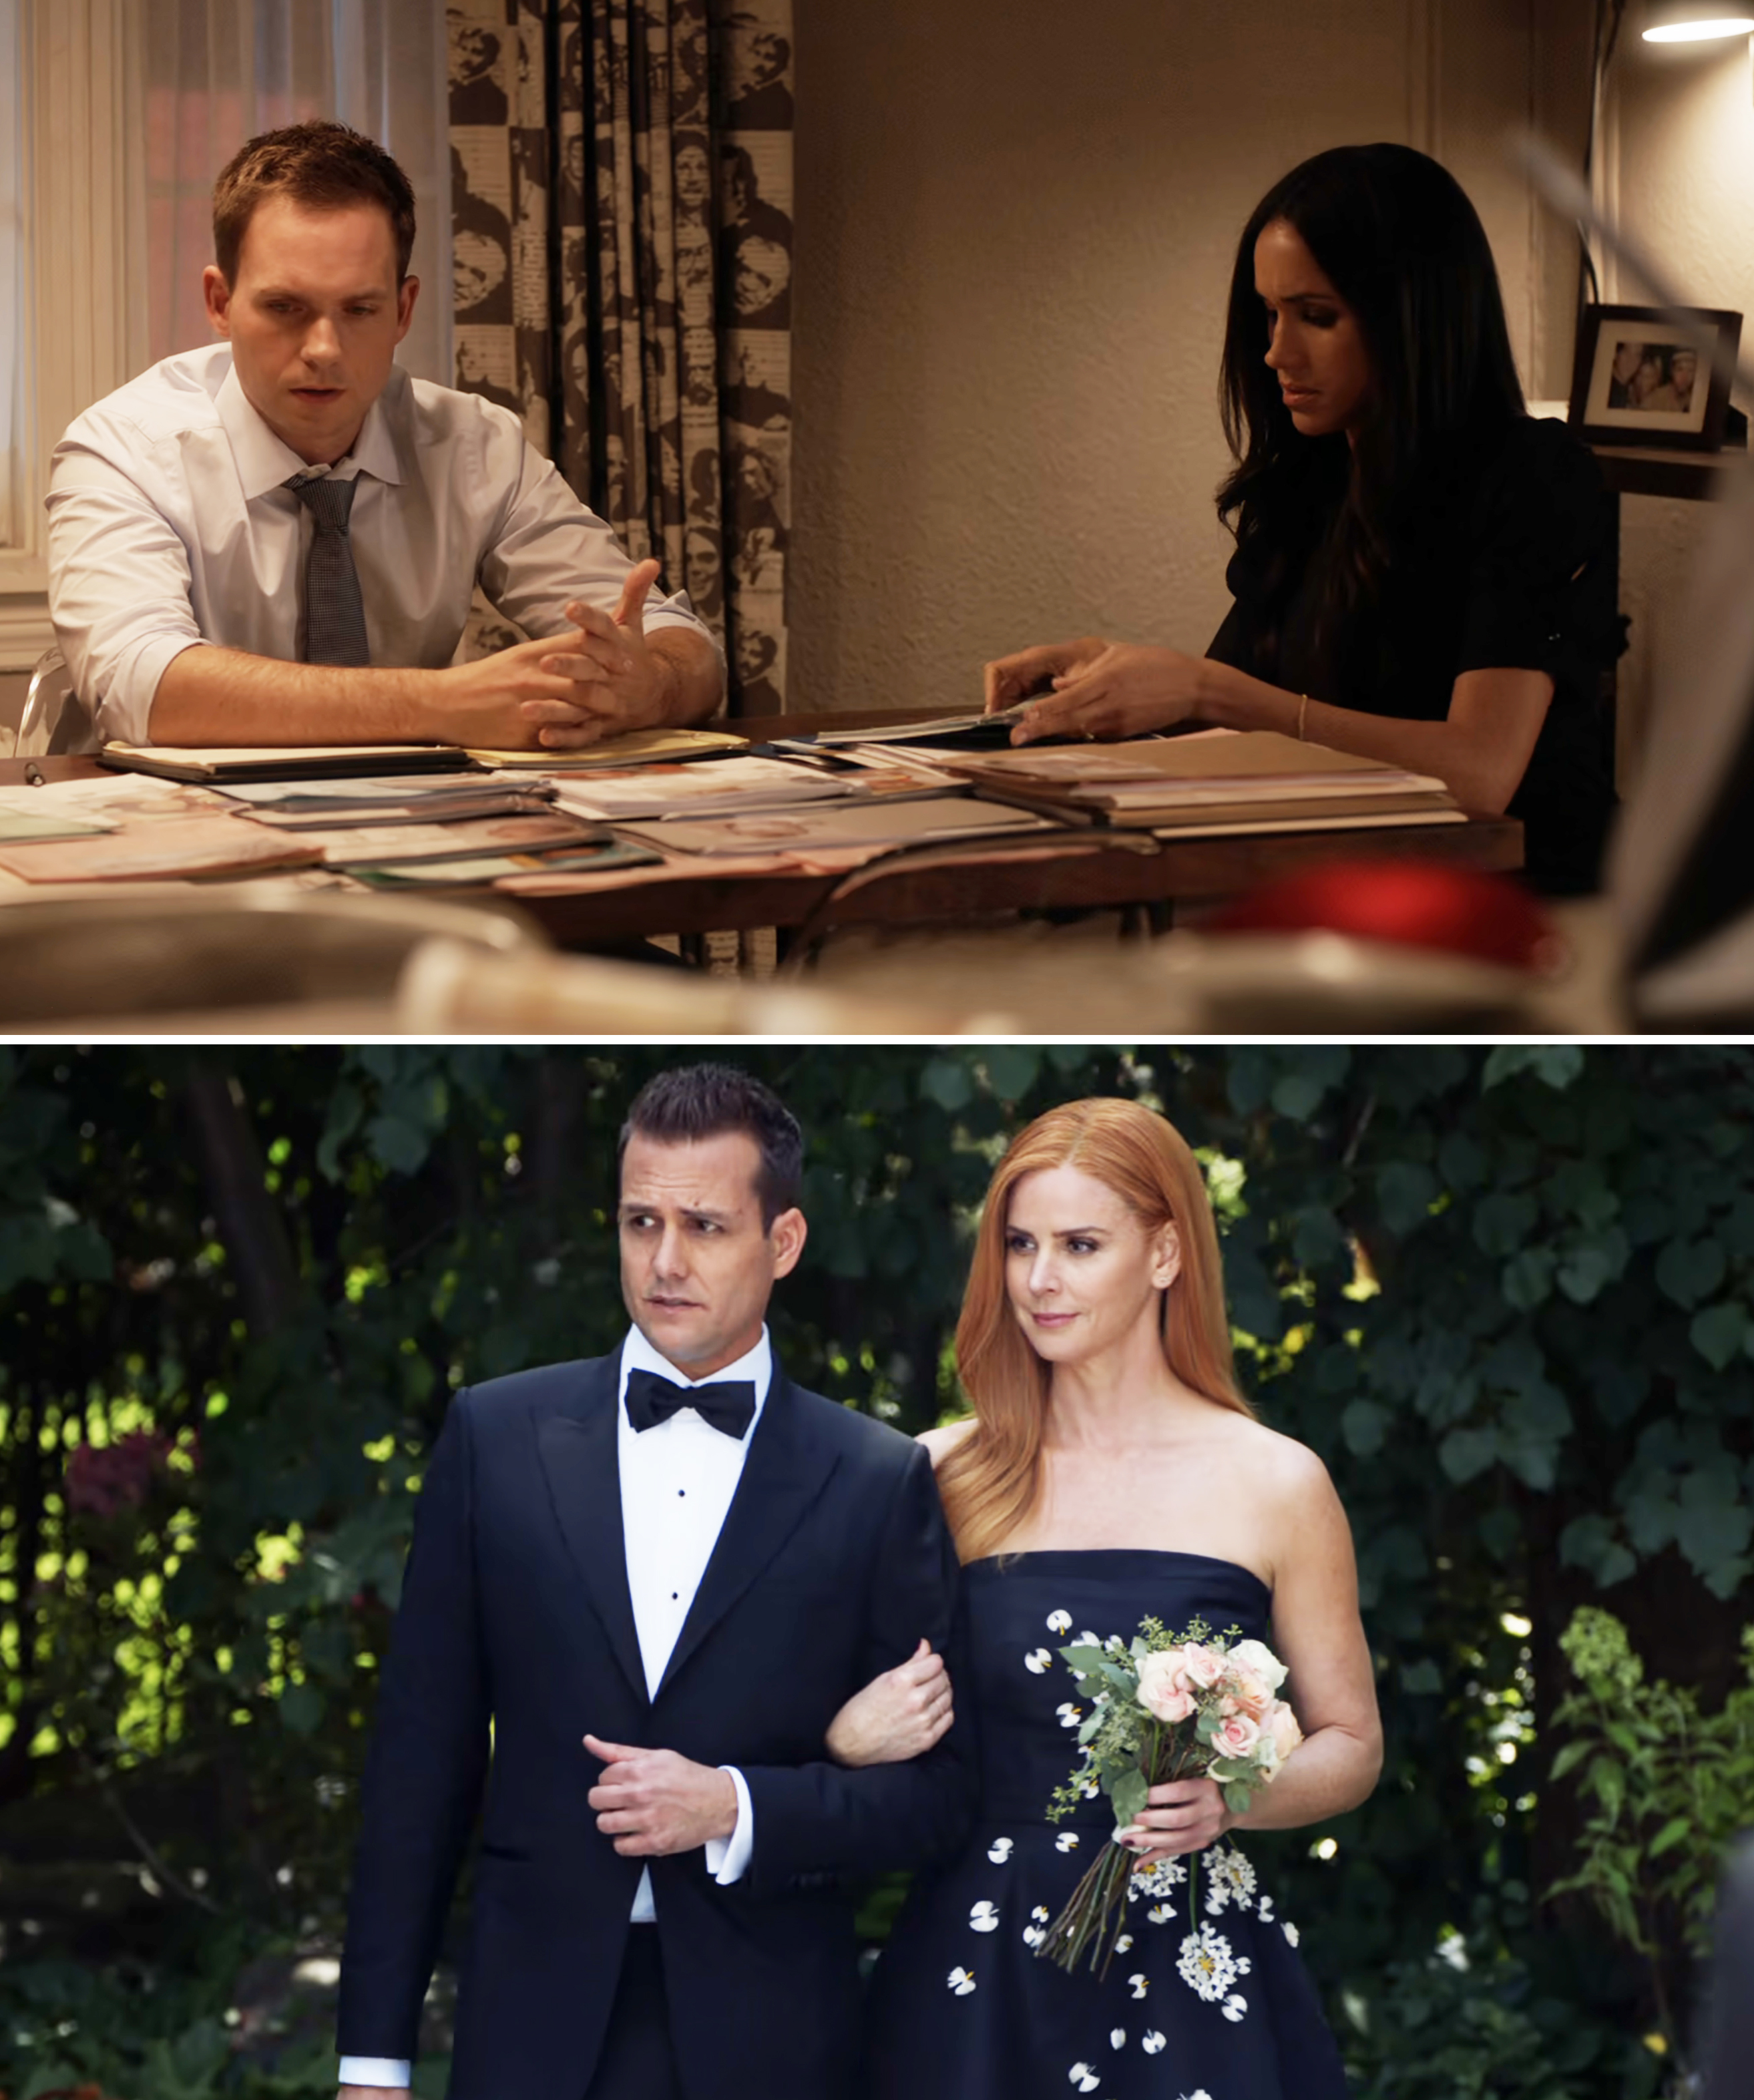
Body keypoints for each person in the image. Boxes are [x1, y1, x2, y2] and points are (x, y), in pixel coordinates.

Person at [333, 1064, 974, 2100]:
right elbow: (421, 1764)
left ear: (785, 1242)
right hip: (529, 2030)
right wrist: (372, 2059)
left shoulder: (874, 1477)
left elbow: (942, 1800)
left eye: (707, 1227)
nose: (665, 1261)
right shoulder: (495, 1438)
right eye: (641, 1221)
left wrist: (737, 1805)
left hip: (771, 2038)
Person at [849, 1096, 1382, 2099]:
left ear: (1167, 1253)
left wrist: (1233, 1799)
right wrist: (847, 1732)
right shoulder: (937, 1474)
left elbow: (1352, 1744)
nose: (1039, 1280)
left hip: (1191, 1964)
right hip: (977, 1969)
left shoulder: (1277, 1481)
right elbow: (823, 1712)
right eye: (1019, 1245)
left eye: (1080, 1244)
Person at [984, 144, 1623, 895]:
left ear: (1413, 315)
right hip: (1347, 894)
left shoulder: (1535, 478)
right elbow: (1248, 704)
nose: (1275, 352)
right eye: (1269, 313)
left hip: (1527, 911)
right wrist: (1114, 669)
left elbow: (1478, 775)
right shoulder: (1314, 478)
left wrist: (1202, 690)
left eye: (1316, 317)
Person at [46, 120, 722, 753]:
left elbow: (679, 645)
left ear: (402, 310)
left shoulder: (473, 446)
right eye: (285, 308)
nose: (323, 349)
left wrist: (647, 685)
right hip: (160, 842)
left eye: (359, 310)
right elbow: (140, 685)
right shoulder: (123, 449)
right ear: (220, 303)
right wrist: (441, 703)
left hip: (408, 824)